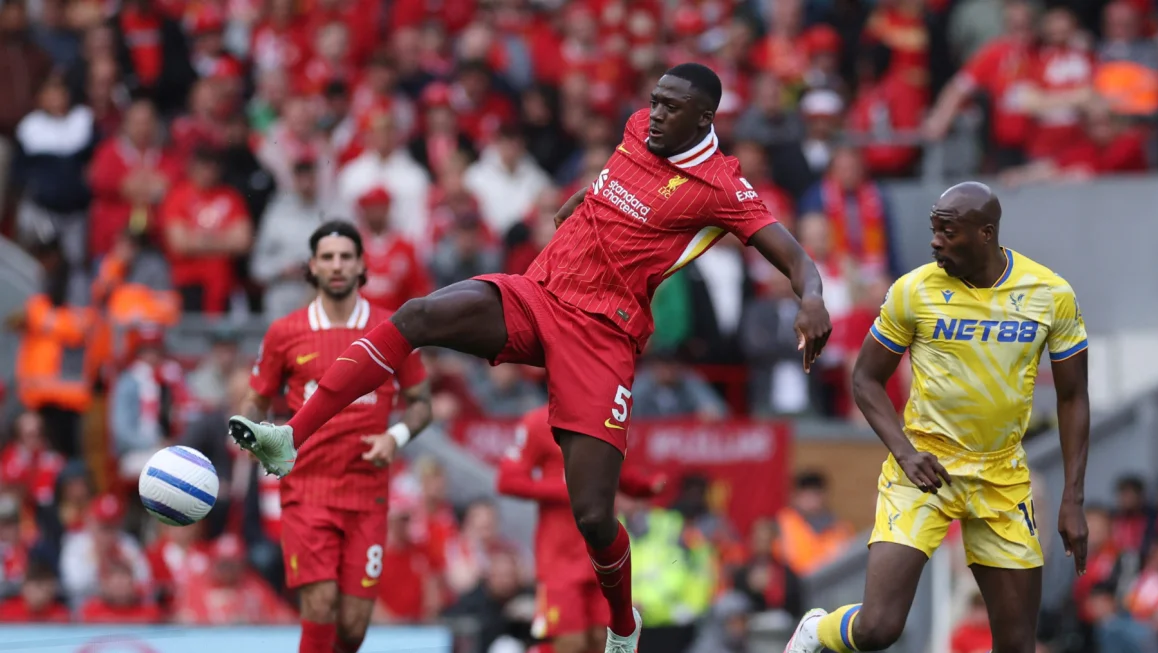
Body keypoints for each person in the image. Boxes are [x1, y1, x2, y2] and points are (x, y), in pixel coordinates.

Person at [230, 62, 833, 653]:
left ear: (704, 118)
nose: (653, 114)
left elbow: (793, 254)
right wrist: (587, 197)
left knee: (594, 516)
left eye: (670, 107)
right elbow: (619, 179)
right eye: (652, 100)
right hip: (539, 293)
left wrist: (811, 299)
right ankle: (290, 437)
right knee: (417, 315)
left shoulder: (722, 186)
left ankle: (623, 624)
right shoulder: (637, 130)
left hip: (601, 338)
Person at [783, 181, 1091, 653]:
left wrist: (1073, 498)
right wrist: (905, 454)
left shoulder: (1050, 294)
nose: (935, 241)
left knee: (1017, 645)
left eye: (948, 231)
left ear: (985, 233)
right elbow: (865, 380)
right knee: (878, 629)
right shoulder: (913, 291)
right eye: (934, 230)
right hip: (925, 467)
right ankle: (817, 631)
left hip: (1002, 476)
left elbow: (1073, 398)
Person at [235, 220, 433, 653]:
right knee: (320, 604)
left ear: (363, 265)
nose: (337, 265)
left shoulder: (392, 329)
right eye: (328, 257)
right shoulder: (285, 332)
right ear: (312, 266)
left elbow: (422, 403)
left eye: (346, 257)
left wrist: (395, 437)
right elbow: (256, 403)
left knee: (353, 627)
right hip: (308, 489)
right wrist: (255, 437)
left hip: (368, 493)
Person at [497, 405, 664, 653]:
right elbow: (507, 480)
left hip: (601, 554)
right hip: (559, 560)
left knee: (606, 642)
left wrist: (646, 486)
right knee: (571, 644)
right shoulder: (537, 422)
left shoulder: (607, 416)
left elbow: (618, 472)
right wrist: (570, 489)